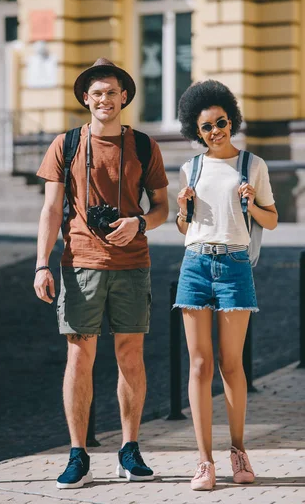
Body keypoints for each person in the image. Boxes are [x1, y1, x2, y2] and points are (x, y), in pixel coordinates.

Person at [34, 58, 169, 489]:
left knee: (131, 356)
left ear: (124, 96)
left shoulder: (145, 145)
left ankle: (129, 450)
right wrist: (41, 263)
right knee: (80, 356)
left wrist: (140, 223)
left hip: (133, 263)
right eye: (97, 93)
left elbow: (164, 207)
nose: (104, 99)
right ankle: (78, 454)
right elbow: (52, 208)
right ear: (86, 100)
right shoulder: (66, 144)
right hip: (80, 263)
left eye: (112, 92)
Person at [174, 80, 278, 491]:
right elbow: (184, 226)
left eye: (221, 122)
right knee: (198, 365)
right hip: (195, 263)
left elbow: (270, 220)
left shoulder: (253, 164)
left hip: (234, 266)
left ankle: (238, 451)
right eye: (206, 127)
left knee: (230, 364)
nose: (215, 131)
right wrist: (183, 209)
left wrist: (251, 202)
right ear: (195, 131)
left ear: (231, 120)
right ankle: (204, 461)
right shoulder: (190, 168)